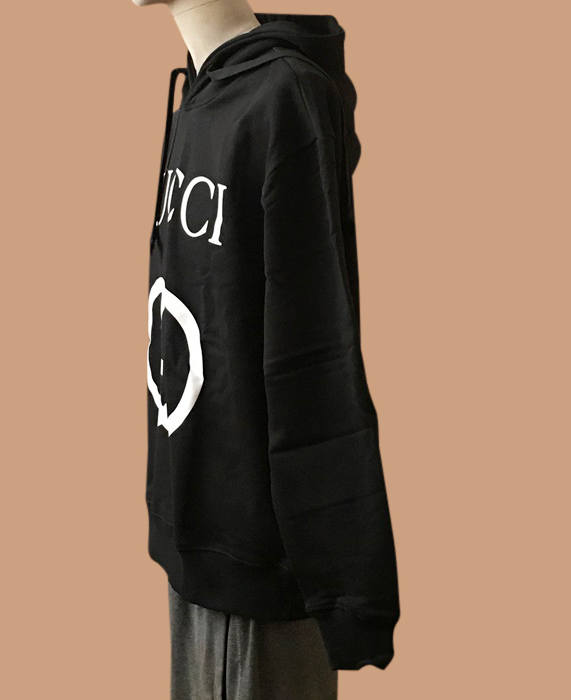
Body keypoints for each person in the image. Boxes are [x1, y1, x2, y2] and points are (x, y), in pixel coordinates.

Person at [135, 1, 401, 697]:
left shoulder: (284, 98)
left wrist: (349, 590)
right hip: (194, 536)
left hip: (263, 563)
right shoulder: (200, 92)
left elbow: (317, 351)